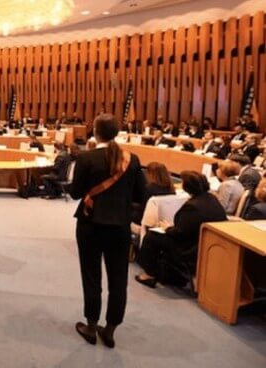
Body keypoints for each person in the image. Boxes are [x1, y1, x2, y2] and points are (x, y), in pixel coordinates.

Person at [69, 114, 146, 348]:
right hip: (120, 227)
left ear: (95, 132)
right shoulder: (132, 159)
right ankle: (110, 331)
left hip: (90, 225)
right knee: (118, 280)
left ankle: (91, 327)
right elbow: (140, 195)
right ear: (117, 132)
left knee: (91, 277)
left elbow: (75, 193)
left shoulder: (86, 158)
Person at [136, 171, 227, 288]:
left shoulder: (193, 206)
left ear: (187, 187)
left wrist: (168, 228)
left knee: (151, 237)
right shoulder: (212, 199)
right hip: (205, 245)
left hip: (189, 249)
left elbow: (179, 233)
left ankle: (149, 275)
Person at [132, 162, 175, 227]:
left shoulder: (149, 189)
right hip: (163, 221)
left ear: (151, 174)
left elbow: (143, 209)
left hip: (144, 221)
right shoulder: (171, 189)